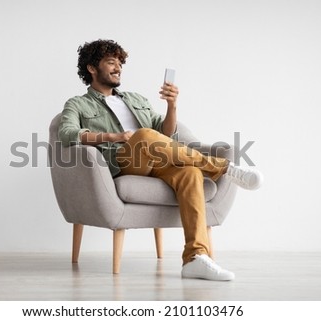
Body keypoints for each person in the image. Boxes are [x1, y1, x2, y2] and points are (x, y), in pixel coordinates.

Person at [59, 39, 263, 281]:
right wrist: (114, 136)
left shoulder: (135, 99)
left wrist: (172, 105)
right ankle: (223, 168)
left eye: (120, 64)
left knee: (190, 173)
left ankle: (195, 258)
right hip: (124, 162)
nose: (118, 68)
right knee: (143, 135)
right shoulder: (77, 104)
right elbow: (66, 134)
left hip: (157, 160)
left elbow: (165, 135)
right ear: (92, 68)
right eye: (111, 63)